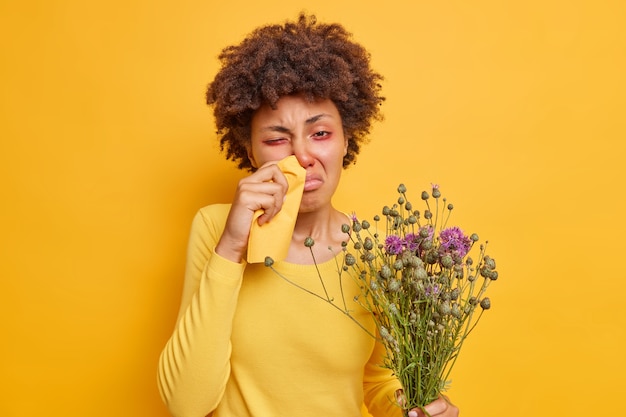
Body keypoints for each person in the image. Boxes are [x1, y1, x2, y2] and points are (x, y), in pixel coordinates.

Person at [158, 13, 459, 417]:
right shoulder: (217, 228)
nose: (302, 156)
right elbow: (186, 404)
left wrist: (419, 409)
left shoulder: (376, 256)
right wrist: (230, 248)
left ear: (346, 138)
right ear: (250, 153)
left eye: (320, 134)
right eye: (276, 139)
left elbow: (378, 382)